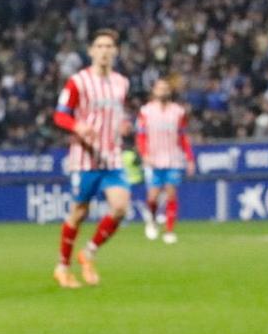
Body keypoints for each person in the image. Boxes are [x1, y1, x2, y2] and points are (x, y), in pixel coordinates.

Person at [50, 29, 132, 289]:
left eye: (109, 46)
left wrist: (124, 125)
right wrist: (78, 127)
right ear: (91, 51)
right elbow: (60, 115)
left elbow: (118, 114)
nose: (105, 50)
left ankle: (89, 252)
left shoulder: (122, 83)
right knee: (79, 213)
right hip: (85, 158)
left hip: (112, 157)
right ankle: (63, 267)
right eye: (100, 46)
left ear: (115, 51)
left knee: (120, 207)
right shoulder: (78, 82)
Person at [136, 77, 196, 244]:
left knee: (171, 194)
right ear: (154, 91)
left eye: (165, 88)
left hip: (173, 158)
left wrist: (190, 158)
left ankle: (169, 231)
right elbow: (140, 136)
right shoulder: (146, 111)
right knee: (153, 196)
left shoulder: (178, 111)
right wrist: (144, 154)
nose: (163, 91)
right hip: (153, 159)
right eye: (159, 88)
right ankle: (153, 220)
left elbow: (183, 137)